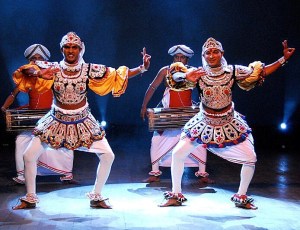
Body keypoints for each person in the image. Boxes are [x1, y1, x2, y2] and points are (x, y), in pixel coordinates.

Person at [12, 32, 151, 210]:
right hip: (56, 120)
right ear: (62, 49)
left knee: (108, 155)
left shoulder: (89, 70)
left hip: (83, 120)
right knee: (28, 155)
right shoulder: (52, 68)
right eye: (67, 47)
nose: (70, 51)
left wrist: (142, 68)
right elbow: (25, 70)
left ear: (80, 49)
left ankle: (97, 195)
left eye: (74, 47)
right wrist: (39, 72)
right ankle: (30, 196)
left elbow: (116, 75)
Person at [159, 38, 295, 209]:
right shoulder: (198, 73)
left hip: (229, 123)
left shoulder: (232, 71)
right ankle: (176, 194)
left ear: (222, 53)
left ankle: (241, 196)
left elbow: (260, 72)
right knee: (178, 154)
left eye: (215, 51)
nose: (212, 55)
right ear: (203, 55)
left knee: (250, 158)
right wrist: (186, 75)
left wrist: (283, 60)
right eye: (208, 52)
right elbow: (174, 76)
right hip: (204, 122)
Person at [1, 44, 75, 185]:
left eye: (39, 58)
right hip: (33, 118)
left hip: (51, 116)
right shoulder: (27, 75)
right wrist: (4, 107)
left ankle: (66, 174)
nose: (36, 60)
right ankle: (23, 175)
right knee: (21, 140)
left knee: (64, 142)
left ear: (45, 60)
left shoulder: (54, 75)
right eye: (33, 58)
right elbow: (14, 92)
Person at [141, 45, 213, 184]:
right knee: (156, 141)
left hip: (187, 115)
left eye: (182, 57)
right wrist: (144, 105)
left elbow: (204, 90)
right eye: (176, 57)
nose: (179, 59)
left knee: (198, 143)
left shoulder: (193, 72)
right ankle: (155, 173)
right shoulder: (165, 71)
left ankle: (203, 174)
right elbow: (153, 86)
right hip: (168, 113)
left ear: (187, 59)